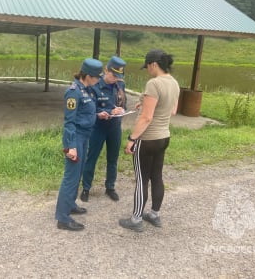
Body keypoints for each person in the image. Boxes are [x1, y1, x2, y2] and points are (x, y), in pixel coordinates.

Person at [119, 49, 179, 232]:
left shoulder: (154, 83)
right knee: (157, 176)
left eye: (147, 67)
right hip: (163, 137)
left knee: (142, 179)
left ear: (154, 64)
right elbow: (172, 110)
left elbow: (146, 118)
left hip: (147, 140)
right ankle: (154, 214)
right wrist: (145, 104)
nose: (147, 71)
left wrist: (132, 139)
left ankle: (136, 219)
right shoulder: (174, 82)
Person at [55, 58, 103, 231]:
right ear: (88, 76)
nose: (99, 80)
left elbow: (86, 113)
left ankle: (70, 205)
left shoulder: (88, 90)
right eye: (97, 77)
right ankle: (62, 218)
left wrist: (100, 114)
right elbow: (69, 122)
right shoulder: (73, 92)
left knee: (78, 173)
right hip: (76, 138)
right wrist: (71, 146)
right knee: (71, 177)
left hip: (85, 137)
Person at [80, 56, 127, 202]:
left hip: (114, 127)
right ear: (106, 70)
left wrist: (121, 110)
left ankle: (110, 187)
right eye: (113, 75)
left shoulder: (120, 85)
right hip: (98, 128)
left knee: (113, 159)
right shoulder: (94, 85)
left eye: (118, 76)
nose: (115, 79)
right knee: (91, 158)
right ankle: (86, 188)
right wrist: (101, 113)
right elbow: (88, 109)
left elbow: (124, 104)